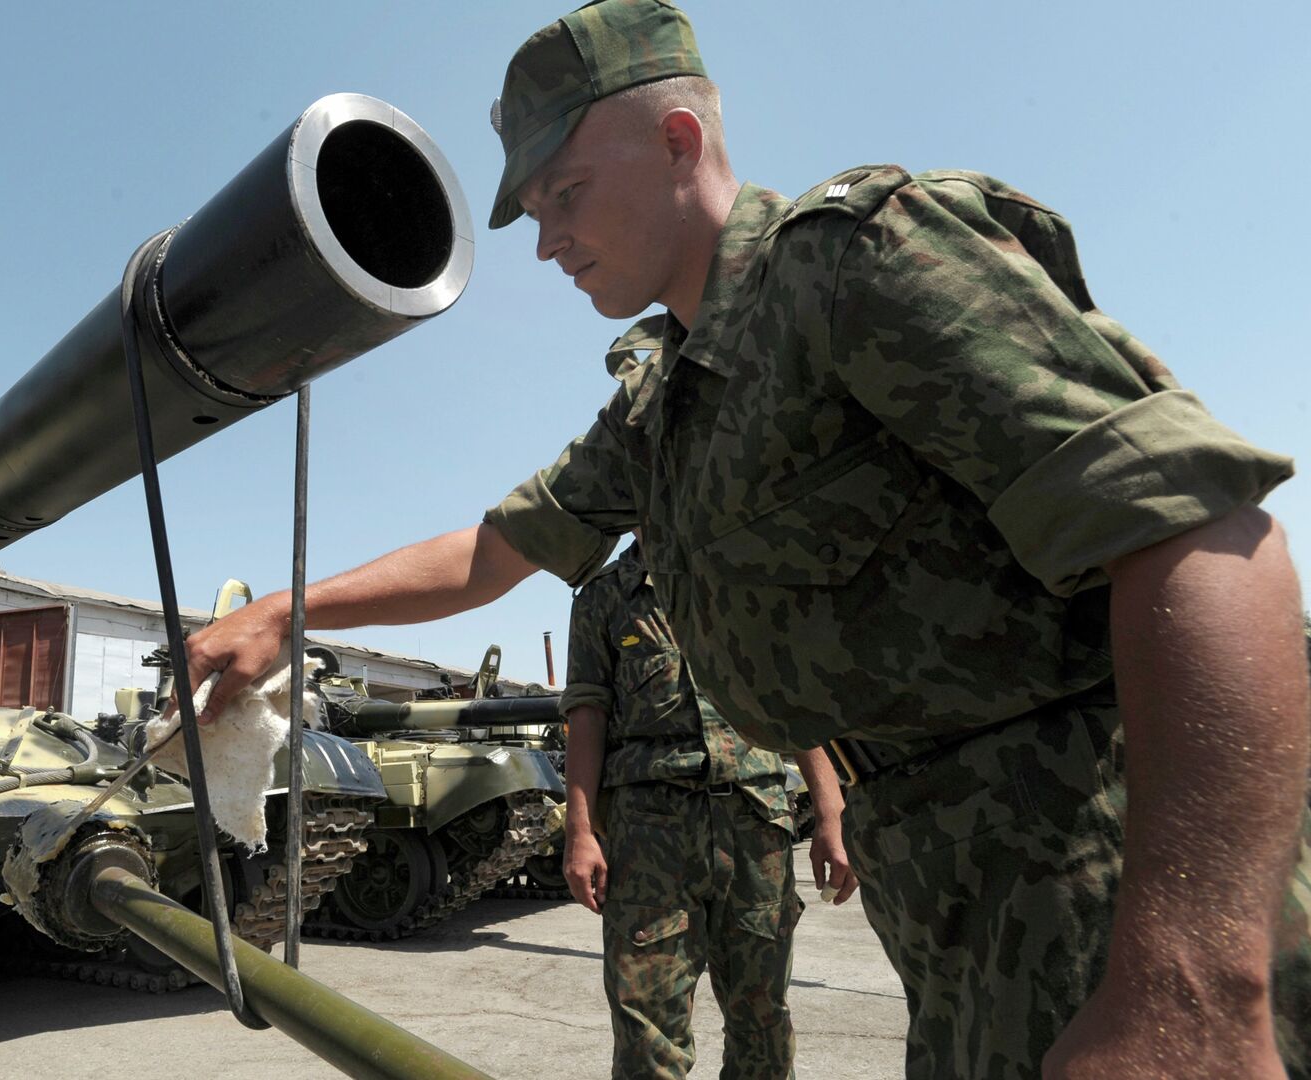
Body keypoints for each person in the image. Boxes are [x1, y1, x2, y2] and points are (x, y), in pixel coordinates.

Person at [184, 2, 1311, 1076]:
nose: (546, 244)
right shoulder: (664, 404)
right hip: (948, 891)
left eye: (566, 192)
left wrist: (1195, 976)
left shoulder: (852, 268)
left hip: (1097, 862)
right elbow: (495, 551)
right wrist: (285, 612)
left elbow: (1206, 535)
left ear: (681, 140)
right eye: (533, 212)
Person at [563, 514, 855, 1076]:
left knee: (763, 1021)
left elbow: (792, 699)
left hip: (755, 826)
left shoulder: (745, 578)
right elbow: (586, 713)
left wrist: (830, 811)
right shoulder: (603, 597)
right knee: (648, 1034)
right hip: (650, 837)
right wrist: (579, 830)